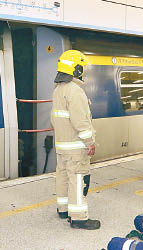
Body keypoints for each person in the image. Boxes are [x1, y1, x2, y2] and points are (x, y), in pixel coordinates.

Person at [50, 50, 100, 230]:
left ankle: (63, 209)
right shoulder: (75, 91)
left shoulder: (58, 90)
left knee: (62, 177)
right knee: (78, 180)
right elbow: (80, 121)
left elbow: (53, 119)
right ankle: (78, 217)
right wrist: (90, 142)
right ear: (77, 69)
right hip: (76, 147)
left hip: (62, 146)